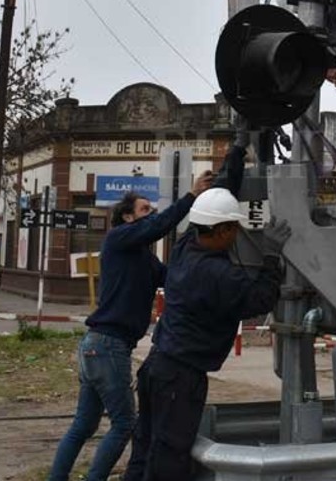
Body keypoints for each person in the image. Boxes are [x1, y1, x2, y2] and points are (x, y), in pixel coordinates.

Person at [45, 170, 216, 481]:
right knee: (125, 424)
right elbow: (157, 226)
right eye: (143, 209)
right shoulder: (118, 239)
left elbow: (175, 278)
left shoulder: (144, 259)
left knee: (84, 425)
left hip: (99, 346)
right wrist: (191, 197)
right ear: (126, 217)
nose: (150, 214)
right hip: (108, 345)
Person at [123, 188, 287, 481]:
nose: (237, 234)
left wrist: (233, 164)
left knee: (145, 446)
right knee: (169, 459)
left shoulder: (184, 249)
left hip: (156, 366)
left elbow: (205, 214)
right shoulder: (218, 274)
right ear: (222, 231)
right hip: (180, 377)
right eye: (234, 227)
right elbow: (260, 300)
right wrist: (272, 256)